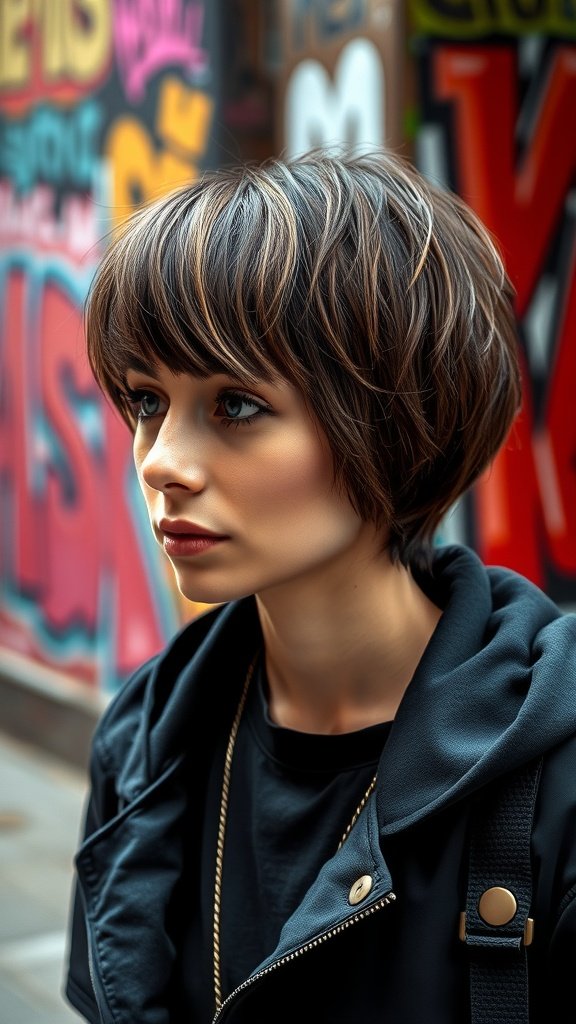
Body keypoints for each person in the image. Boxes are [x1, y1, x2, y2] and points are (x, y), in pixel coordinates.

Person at [64, 147, 576, 1024]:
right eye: (148, 401)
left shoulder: (553, 770)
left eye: (236, 405)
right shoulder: (148, 742)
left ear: (390, 417)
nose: (161, 461)